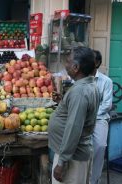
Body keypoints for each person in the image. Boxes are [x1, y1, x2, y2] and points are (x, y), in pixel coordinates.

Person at [48, 47, 100, 184]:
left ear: (76, 67)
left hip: (72, 158)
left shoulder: (80, 92)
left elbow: (73, 128)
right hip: (74, 154)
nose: (65, 65)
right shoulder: (88, 85)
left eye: (68, 61)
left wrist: (62, 162)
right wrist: (63, 101)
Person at [90, 50, 113, 184]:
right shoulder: (81, 79)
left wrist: (91, 115)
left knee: (99, 145)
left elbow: (107, 105)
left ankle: (94, 180)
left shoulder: (106, 81)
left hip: (99, 118)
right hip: (83, 119)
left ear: (97, 63)